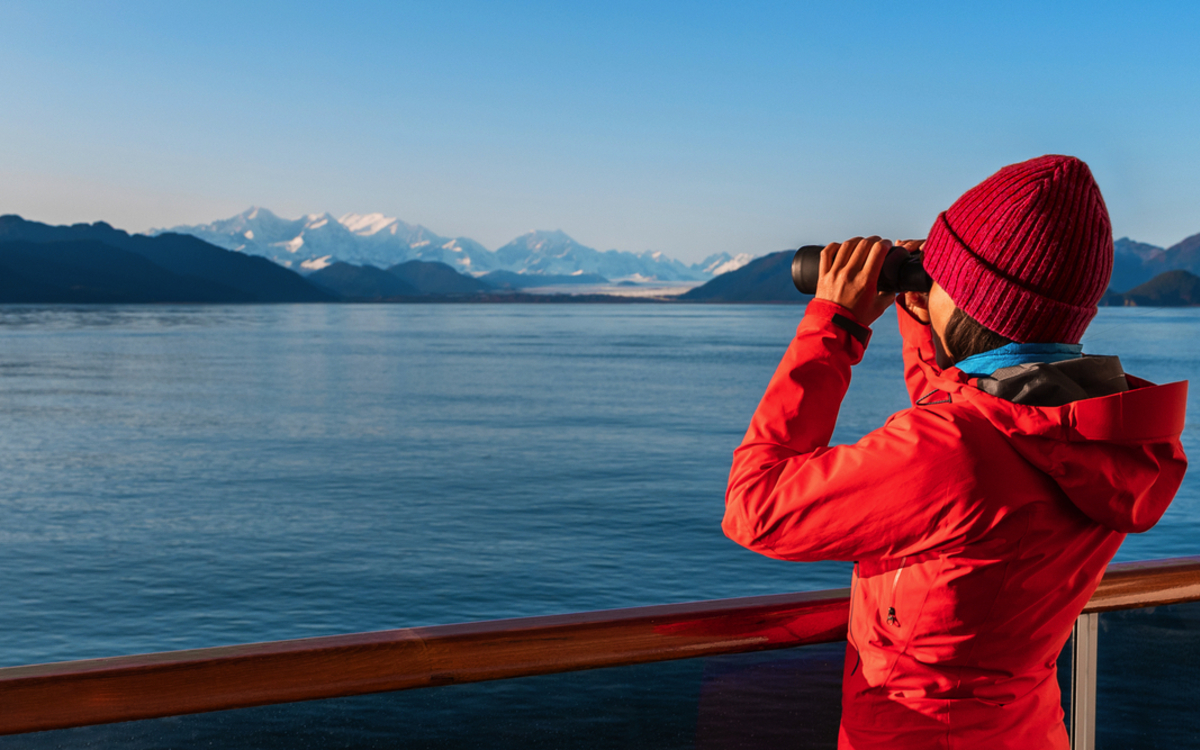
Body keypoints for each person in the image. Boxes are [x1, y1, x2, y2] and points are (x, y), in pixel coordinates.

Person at [722, 154, 1188, 749]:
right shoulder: (1090, 429)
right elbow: (968, 422)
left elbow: (754, 507)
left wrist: (833, 328)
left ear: (967, 302)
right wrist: (928, 317)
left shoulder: (953, 452)